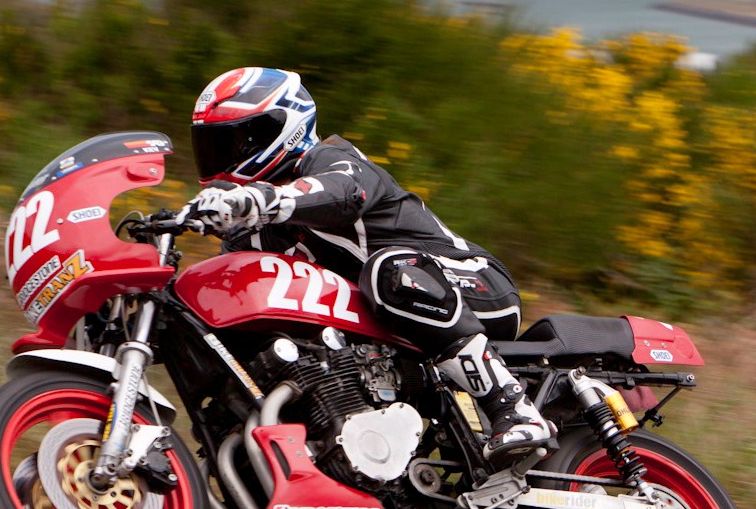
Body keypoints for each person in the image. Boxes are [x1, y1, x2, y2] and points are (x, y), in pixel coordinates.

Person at [185, 66, 554, 471]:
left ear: (283, 128)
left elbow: (343, 193)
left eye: (235, 141)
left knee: (388, 272)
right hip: (393, 329)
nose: (222, 158)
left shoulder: (331, 159)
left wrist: (258, 199)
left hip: (474, 286)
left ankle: (515, 410)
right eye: (212, 145)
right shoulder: (250, 235)